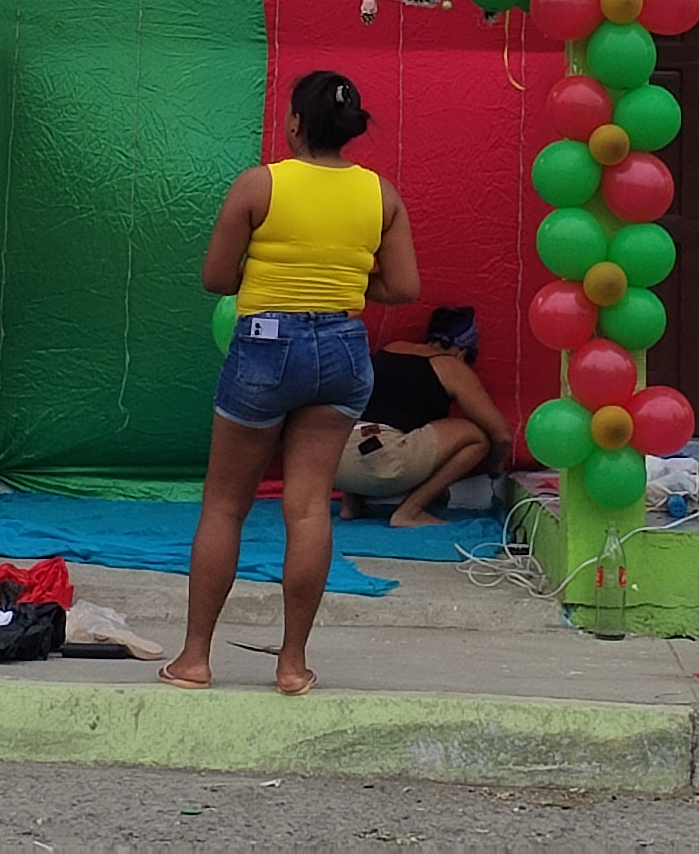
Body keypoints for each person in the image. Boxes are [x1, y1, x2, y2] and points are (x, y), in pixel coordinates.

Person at [164, 69, 421, 696]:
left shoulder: (260, 184)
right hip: (342, 347)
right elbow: (403, 287)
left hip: (266, 344)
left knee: (225, 505)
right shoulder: (381, 195)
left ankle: (195, 659)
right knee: (308, 509)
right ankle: (292, 664)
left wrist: (271, 272)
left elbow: (216, 278)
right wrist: (342, 278)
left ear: (296, 123)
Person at [341, 305, 507, 528]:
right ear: (462, 352)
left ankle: (352, 505)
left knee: (362, 420)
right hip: (383, 464)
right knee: (476, 436)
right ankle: (410, 511)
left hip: (336, 465)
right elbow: (502, 436)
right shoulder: (451, 366)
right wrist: (496, 471)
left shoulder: (392, 348)